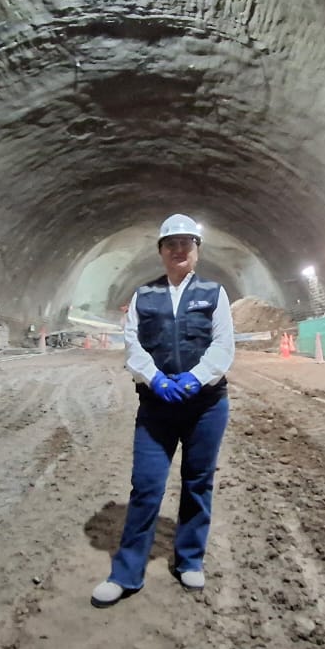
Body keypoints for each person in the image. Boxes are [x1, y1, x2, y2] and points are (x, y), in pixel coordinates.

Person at [91, 214, 236, 607]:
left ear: (196, 250)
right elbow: (133, 344)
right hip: (157, 407)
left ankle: (189, 559)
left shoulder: (214, 293)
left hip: (206, 406)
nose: (179, 249)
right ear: (160, 251)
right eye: (171, 243)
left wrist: (196, 379)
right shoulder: (144, 295)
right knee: (147, 485)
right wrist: (155, 379)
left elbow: (223, 344)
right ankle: (126, 574)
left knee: (197, 482)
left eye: (186, 243)